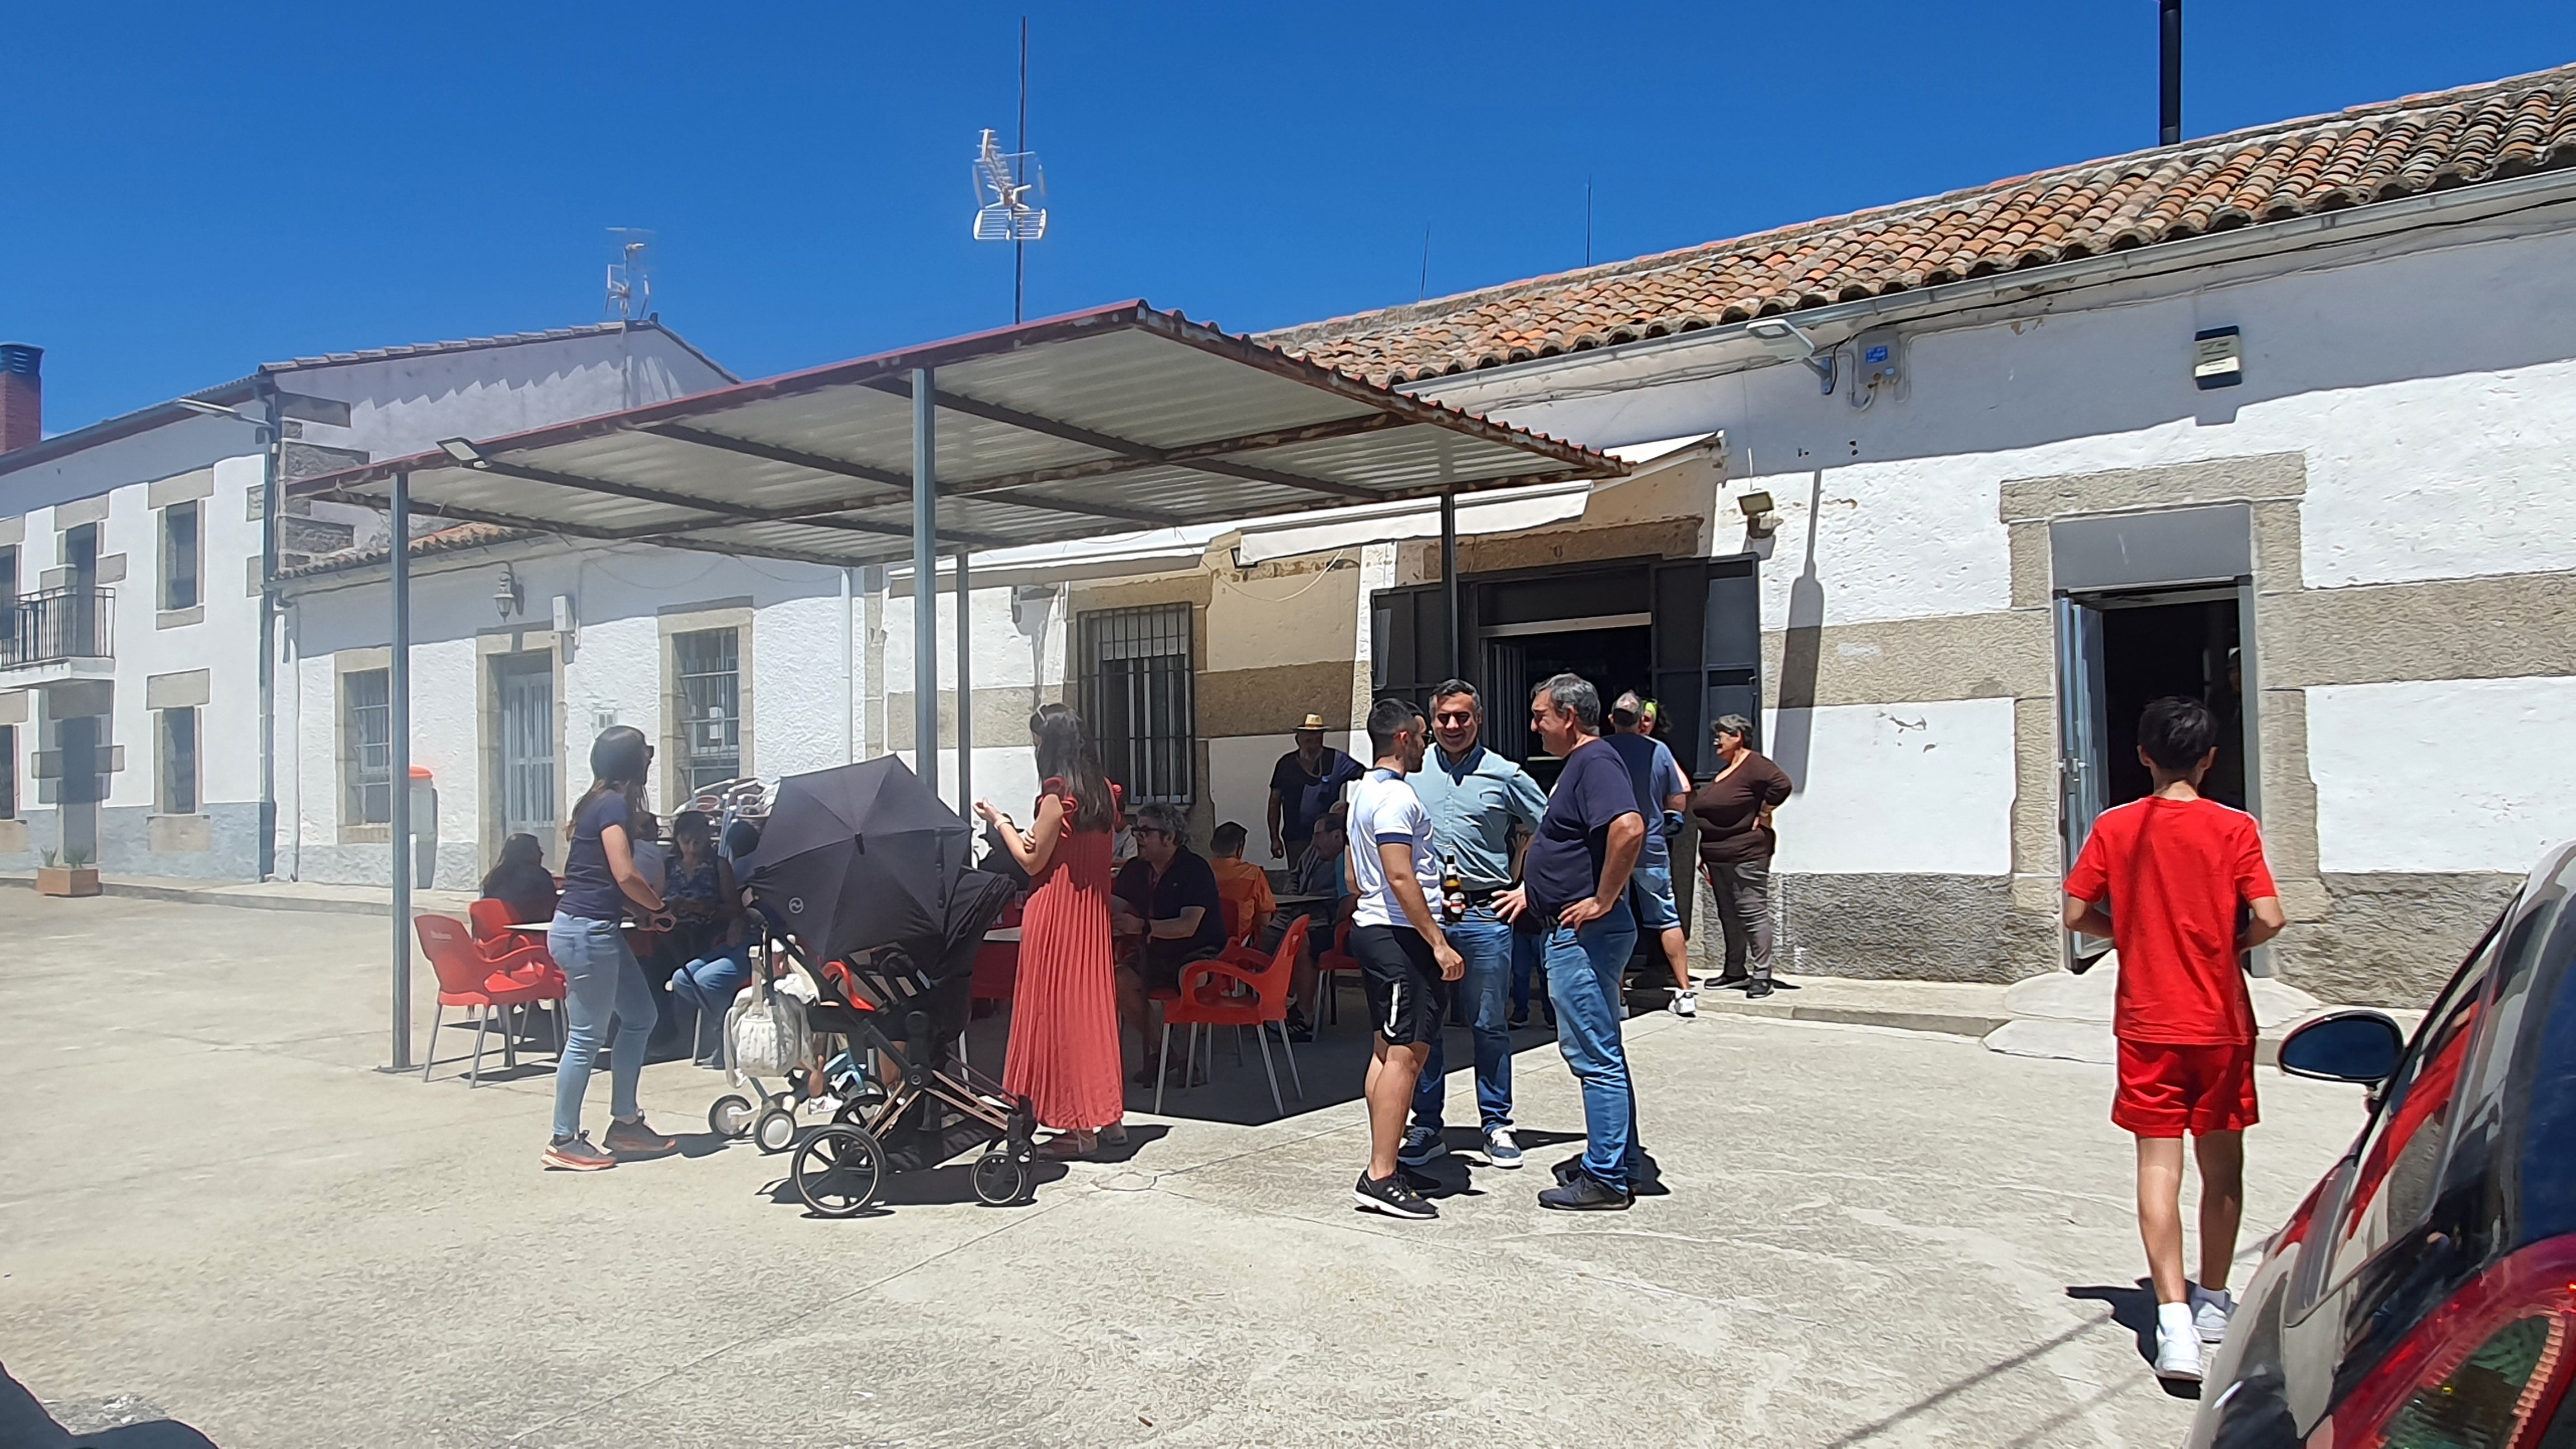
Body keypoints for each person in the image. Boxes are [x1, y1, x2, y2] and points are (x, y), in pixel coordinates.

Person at [2063, 695, 2284, 1384]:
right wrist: (2229, 944)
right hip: (2221, 1021)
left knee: (2157, 1167)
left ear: (2142, 755)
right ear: (2211, 757)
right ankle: (2213, 1298)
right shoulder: (2234, 827)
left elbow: (2076, 911)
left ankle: (2173, 1321)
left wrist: (2128, 931)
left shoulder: (2116, 825)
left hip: (2148, 1020)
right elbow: (2272, 918)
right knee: (2223, 1167)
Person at [1497, 674, 1647, 1211]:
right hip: (1578, 928)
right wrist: (1530, 893)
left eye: (1540, 715)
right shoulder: (1583, 765)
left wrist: (1604, 898)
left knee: (1593, 1054)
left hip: (1585, 934)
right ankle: (1617, 1157)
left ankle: (1606, 1177)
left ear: (1567, 715)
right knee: (1603, 1047)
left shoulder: (1595, 762)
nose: (1534, 725)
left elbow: (1629, 829)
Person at [1402, 679, 1547, 1171]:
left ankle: (1497, 1123)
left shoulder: (1504, 775)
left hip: (1486, 914)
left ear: (1478, 719)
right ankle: (1426, 1124)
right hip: (1428, 917)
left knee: (1489, 1024)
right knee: (1427, 1026)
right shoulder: (1412, 774)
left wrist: (1529, 888)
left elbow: (1554, 830)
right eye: (1443, 718)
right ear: (1431, 722)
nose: (1452, 726)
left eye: (1462, 717)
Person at [976, 705, 1127, 1159]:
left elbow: (1031, 859)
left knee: (1055, 1018)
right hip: (1091, 915)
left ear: (1050, 743)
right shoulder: (1103, 792)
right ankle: (1108, 1118)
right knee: (1091, 1014)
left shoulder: (1056, 795)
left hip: (1056, 914)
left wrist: (1000, 822)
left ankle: (1077, 1128)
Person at [1344, 697, 1464, 1219]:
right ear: (1401, 738)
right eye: (1422, 735)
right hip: (1397, 937)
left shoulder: (1363, 793)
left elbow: (1355, 875)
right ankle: (1381, 1175)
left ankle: (1386, 1159)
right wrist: (1438, 941)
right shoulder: (1397, 800)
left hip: (1379, 930)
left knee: (1385, 1050)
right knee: (1406, 1056)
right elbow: (1399, 874)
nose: (1428, 742)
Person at [543, 726, 679, 1171]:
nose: (651, 758)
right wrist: (659, 905)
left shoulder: (597, 803)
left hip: (596, 928)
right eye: (646, 753)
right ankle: (564, 1138)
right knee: (585, 1038)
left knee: (641, 1016)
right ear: (630, 763)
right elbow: (623, 872)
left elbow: (598, 877)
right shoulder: (612, 805)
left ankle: (626, 1123)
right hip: (587, 933)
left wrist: (641, 915)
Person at [1112, 803, 1232, 1084]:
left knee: (1189, 977)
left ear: (1170, 837)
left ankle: (1189, 1060)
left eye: (1145, 831)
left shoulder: (1195, 869)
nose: (1137, 836)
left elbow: (1188, 926)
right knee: (1119, 978)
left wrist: (1140, 927)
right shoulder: (1135, 869)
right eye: (1137, 829)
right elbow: (1112, 908)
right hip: (1155, 951)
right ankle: (1167, 1054)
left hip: (1198, 950)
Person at [1604, 690, 1697, 1017]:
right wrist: (1670, 818)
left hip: (1611, 851)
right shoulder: (1659, 751)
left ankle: (1618, 997)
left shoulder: (1600, 751)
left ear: (1612, 719)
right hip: (1652, 847)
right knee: (1667, 917)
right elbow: (1680, 796)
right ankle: (1685, 992)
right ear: (1641, 719)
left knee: (1615, 921)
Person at [1690, 714, 1795, 998]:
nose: (1716, 740)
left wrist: (1763, 812)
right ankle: (1734, 971)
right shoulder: (1727, 770)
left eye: (1722, 734)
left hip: (1746, 852)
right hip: (1717, 854)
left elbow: (1783, 785)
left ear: (1738, 736)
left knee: (1751, 911)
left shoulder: (1755, 765)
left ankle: (1762, 975)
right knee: (1728, 914)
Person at [660, 811, 749, 1067]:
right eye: (686, 840)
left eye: (697, 840)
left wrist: (705, 908)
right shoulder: (668, 866)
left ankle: (716, 1035)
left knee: (703, 977)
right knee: (660, 971)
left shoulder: (719, 865)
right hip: (674, 932)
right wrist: (671, 906)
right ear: (677, 839)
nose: (691, 847)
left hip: (712, 933)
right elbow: (656, 899)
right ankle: (682, 1037)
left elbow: (734, 908)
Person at [1272, 815, 1348, 1039]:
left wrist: (1336, 925)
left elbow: (1348, 903)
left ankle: (1303, 1015)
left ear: (1337, 836)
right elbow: (1294, 875)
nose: (1314, 842)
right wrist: (1293, 896)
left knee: (1301, 939)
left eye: (1318, 836)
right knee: (1268, 932)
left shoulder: (1346, 859)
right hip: (1298, 909)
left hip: (1328, 920)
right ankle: (1273, 1000)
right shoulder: (1314, 853)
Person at [1267, 713, 1362, 865]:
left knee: (1327, 878)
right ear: (1298, 740)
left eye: (1317, 739)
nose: (1313, 745)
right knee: (1298, 875)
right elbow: (1274, 802)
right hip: (1296, 836)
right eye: (1308, 740)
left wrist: (1352, 809)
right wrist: (1274, 838)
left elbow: (1365, 776)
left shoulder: (1336, 759)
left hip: (1328, 835)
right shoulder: (1286, 764)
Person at [1206, 821, 1276, 946]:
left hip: (1203, 944)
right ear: (1240, 849)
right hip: (1239, 946)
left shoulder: (1199, 871)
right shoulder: (1253, 874)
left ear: (1212, 845)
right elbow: (1264, 920)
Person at [478, 832, 557, 927]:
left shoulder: (494, 876)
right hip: (528, 932)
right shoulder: (538, 875)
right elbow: (551, 906)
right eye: (537, 849)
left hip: (495, 932)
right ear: (526, 853)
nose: (542, 854)